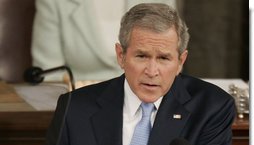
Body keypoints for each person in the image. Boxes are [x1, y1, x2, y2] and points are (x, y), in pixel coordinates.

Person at [25, 3, 236, 145]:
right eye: (142, 56)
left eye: (164, 58)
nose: (152, 71)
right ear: (121, 55)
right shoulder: (75, 106)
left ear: (181, 61)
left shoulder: (211, 107)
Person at [31, 0, 177, 86]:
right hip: (82, 107)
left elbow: (170, 63)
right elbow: (48, 75)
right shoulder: (55, 2)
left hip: (149, 105)